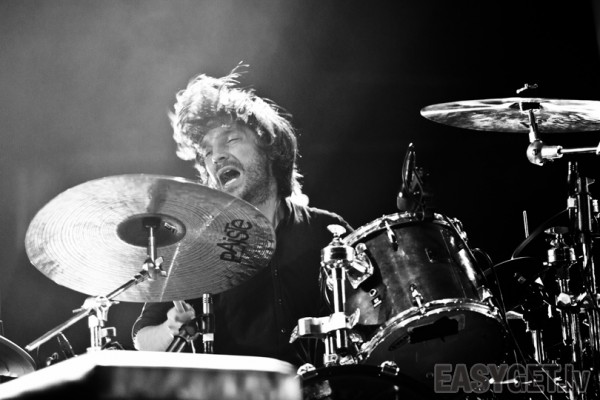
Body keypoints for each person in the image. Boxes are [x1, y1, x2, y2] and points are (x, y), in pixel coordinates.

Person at [131, 64, 353, 368]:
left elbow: (375, 316)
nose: (216, 156)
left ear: (269, 146)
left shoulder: (328, 232)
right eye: (207, 152)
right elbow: (143, 340)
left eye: (230, 139)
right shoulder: (197, 247)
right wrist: (171, 327)